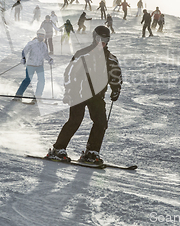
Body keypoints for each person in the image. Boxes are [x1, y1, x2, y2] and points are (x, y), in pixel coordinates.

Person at [46, 26, 122, 164]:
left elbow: (115, 75)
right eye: (99, 39)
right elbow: (69, 74)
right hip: (78, 94)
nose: (102, 42)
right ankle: (58, 149)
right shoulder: (83, 54)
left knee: (101, 123)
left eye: (105, 40)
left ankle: (91, 152)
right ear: (94, 38)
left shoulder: (110, 59)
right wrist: (69, 92)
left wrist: (116, 89)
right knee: (75, 120)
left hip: (97, 96)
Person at [13, 28, 54, 102]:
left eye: (42, 36)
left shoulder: (44, 45)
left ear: (44, 36)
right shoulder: (32, 43)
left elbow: (45, 55)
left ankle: (37, 96)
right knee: (27, 80)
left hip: (40, 66)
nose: (41, 37)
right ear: (37, 35)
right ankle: (18, 95)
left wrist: (50, 59)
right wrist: (23, 58)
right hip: (31, 65)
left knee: (42, 80)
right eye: (40, 35)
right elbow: (24, 51)